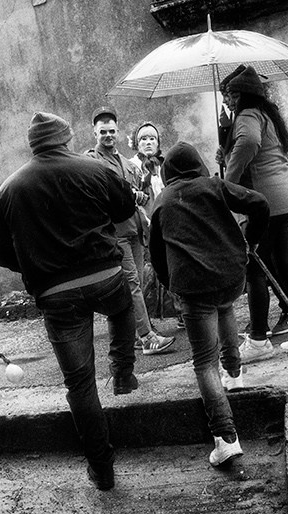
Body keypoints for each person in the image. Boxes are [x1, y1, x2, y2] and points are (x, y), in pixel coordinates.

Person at [0, 111, 139, 490]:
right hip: (105, 276)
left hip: (56, 293)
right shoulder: (93, 168)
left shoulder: (9, 188)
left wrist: (31, 266)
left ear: (34, 144)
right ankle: (122, 369)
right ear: (67, 138)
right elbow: (124, 209)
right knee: (122, 306)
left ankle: (102, 468)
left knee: (80, 385)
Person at [149, 142, 269, 465]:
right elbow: (259, 203)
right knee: (226, 308)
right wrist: (252, 237)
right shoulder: (214, 185)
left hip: (192, 285)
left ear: (167, 172)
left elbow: (157, 255)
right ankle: (235, 377)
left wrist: (171, 284)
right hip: (230, 276)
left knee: (204, 362)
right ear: (198, 165)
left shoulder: (162, 201)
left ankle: (226, 438)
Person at [223, 65, 288, 356]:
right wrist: (228, 152)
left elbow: (249, 142)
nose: (228, 101)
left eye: (231, 95)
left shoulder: (246, 116)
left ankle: (258, 341)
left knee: (255, 271)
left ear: (243, 95)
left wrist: (228, 182)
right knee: (287, 266)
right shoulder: (269, 115)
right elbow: (261, 148)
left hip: (264, 206)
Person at [85, 107, 176, 355]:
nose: (108, 135)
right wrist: (128, 194)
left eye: (112, 131)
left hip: (134, 230)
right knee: (133, 283)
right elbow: (97, 194)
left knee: (133, 283)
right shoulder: (91, 161)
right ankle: (147, 337)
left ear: (118, 131)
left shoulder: (126, 163)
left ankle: (135, 335)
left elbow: (142, 195)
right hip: (114, 233)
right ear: (94, 132)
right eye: (103, 132)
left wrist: (141, 195)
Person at [128, 122, 184, 329]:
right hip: (144, 225)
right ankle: (143, 320)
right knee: (146, 273)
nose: (148, 142)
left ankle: (181, 312)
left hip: (167, 222)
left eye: (152, 138)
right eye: (143, 138)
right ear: (136, 143)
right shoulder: (131, 165)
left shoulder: (165, 164)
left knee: (173, 266)